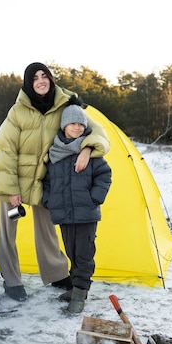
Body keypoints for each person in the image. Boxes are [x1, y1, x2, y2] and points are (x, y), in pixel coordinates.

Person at [0, 62, 110, 302]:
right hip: (16, 180)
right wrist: (11, 190)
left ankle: (56, 274)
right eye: (35, 78)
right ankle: (12, 280)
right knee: (7, 229)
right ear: (28, 83)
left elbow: (99, 134)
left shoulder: (67, 105)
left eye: (44, 76)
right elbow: (4, 151)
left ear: (51, 79)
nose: (40, 81)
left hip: (47, 181)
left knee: (47, 230)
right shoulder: (17, 112)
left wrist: (87, 149)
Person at [42, 102, 112, 313]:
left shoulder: (90, 152)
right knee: (71, 251)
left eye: (81, 124)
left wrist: (94, 198)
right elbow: (46, 183)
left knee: (84, 254)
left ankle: (80, 294)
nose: (77, 127)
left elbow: (105, 175)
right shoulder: (55, 155)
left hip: (85, 213)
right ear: (63, 126)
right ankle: (76, 289)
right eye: (72, 123)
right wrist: (49, 201)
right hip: (64, 214)